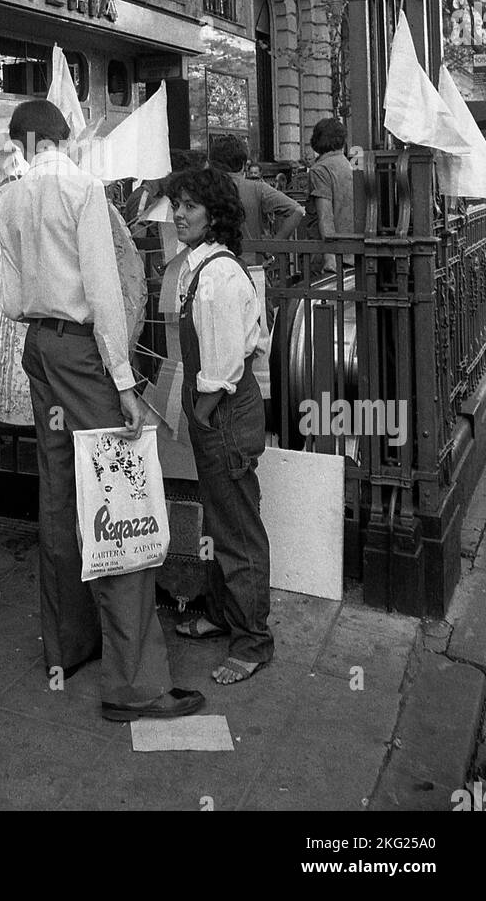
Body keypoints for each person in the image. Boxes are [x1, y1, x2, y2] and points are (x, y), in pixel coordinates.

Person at [0, 99, 206, 722]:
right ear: (62, 138)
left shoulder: (9, 197)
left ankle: (68, 646)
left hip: (39, 346)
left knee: (60, 494)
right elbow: (105, 289)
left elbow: (10, 294)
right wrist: (122, 378)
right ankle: (133, 684)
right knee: (121, 501)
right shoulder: (83, 190)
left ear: (26, 141)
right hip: (85, 354)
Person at [166, 164, 274, 684]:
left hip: (224, 413)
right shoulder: (198, 266)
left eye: (190, 205)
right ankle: (218, 612)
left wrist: (203, 414)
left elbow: (228, 361)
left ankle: (253, 640)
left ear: (214, 215)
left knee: (238, 529)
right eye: (177, 204)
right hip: (214, 411)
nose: (179, 214)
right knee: (218, 519)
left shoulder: (219, 275)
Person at [208, 134, 304, 266]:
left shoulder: (203, 189)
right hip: (250, 263)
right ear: (243, 164)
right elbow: (297, 211)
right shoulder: (257, 188)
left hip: (211, 262)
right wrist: (271, 247)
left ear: (212, 163)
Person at [302, 118, 355, 273]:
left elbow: (325, 217)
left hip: (332, 258)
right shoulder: (349, 164)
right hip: (352, 253)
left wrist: (330, 258)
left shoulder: (320, 170)